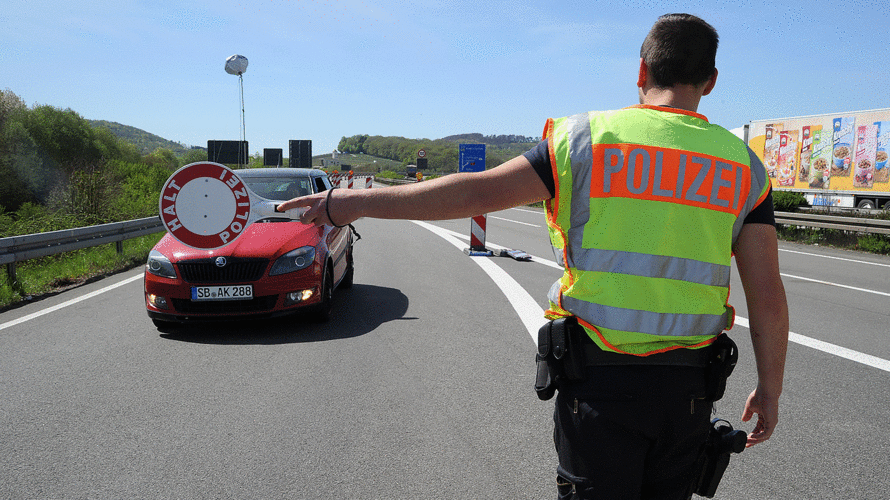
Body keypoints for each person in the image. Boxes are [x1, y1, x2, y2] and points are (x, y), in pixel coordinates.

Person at [278, 13, 788, 500]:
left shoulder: (584, 141)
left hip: (600, 384)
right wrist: (770, 389)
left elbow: (473, 195)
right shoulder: (744, 167)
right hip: (689, 393)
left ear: (641, 70)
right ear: (712, 81)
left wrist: (346, 203)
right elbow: (767, 296)